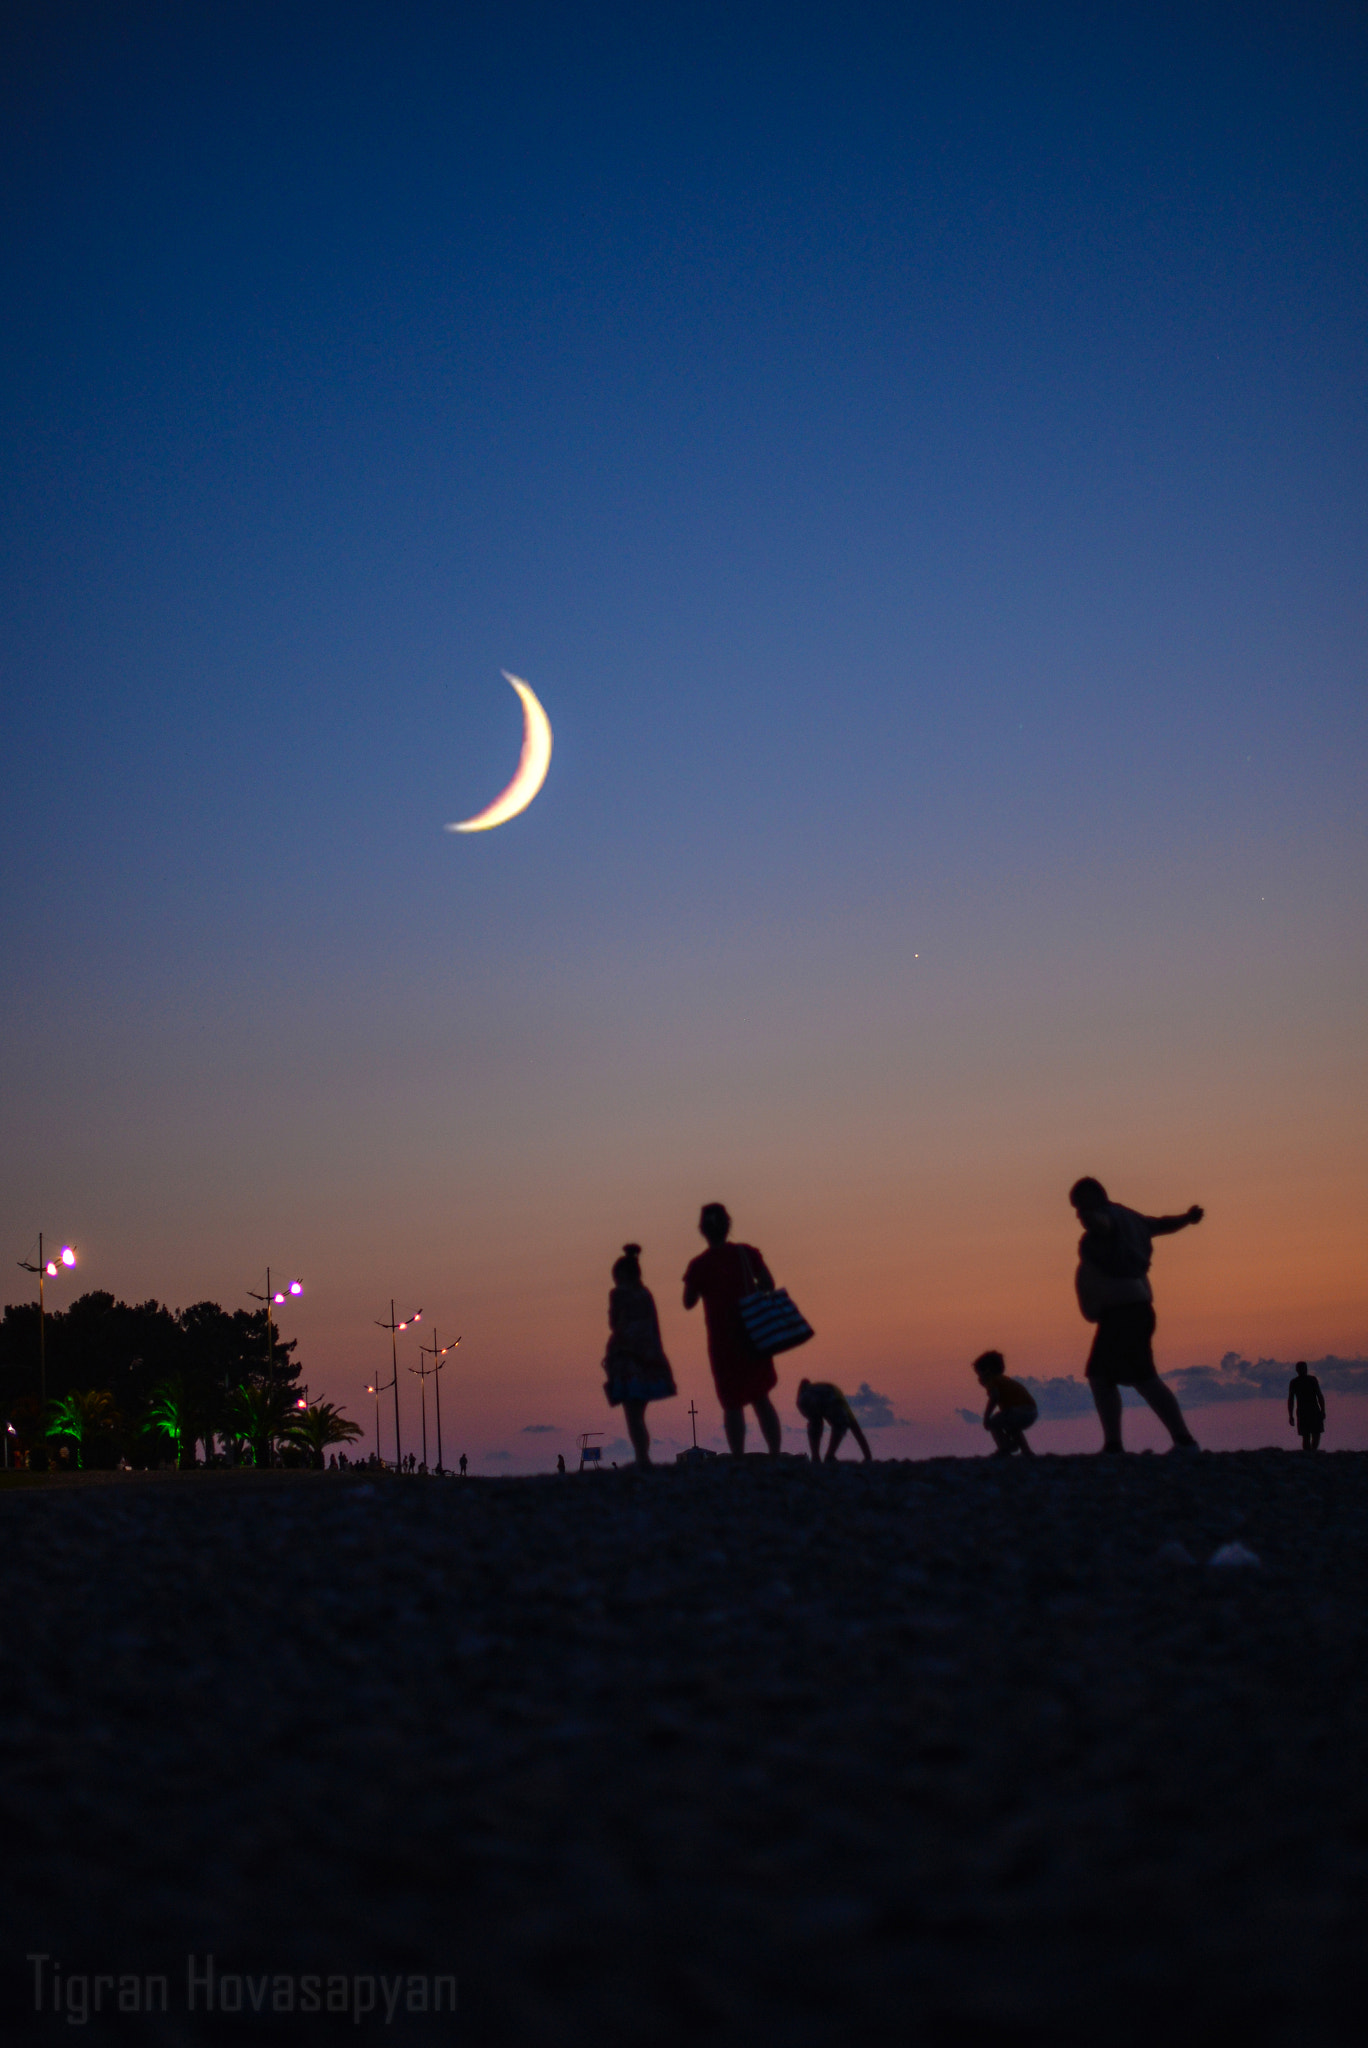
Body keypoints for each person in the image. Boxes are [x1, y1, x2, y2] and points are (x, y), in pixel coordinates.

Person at [1070, 1176, 1201, 1453]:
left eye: (1080, 1208)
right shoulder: (1134, 1219)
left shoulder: (1107, 1219)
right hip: (1128, 1313)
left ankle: (1183, 1441)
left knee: (1139, 1378)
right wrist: (1187, 1218)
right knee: (1104, 1376)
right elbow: (1162, 1224)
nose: (1079, 1216)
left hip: (1125, 1314)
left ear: (1093, 1201)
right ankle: (1116, 1444)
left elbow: (1103, 1224)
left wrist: (1094, 1219)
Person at [683, 1204, 783, 1458]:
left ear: (702, 1230)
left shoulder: (699, 1265)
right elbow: (769, 1283)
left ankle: (738, 1456)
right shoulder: (746, 1254)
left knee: (732, 1403)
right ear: (728, 1226)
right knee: (761, 1398)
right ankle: (774, 1454)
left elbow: (688, 1301)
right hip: (753, 1334)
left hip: (723, 1342)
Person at [603, 1244, 676, 1467]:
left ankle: (642, 1457)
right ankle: (643, 1455)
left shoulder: (619, 1294)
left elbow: (614, 1323)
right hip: (649, 1360)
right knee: (639, 1414)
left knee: (632, 1415)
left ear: (621, 1276)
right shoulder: (646, 1295)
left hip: (627, 1360)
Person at [971, 1351, 1038, 1456]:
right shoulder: (1004, 1380)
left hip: (1019, 1410)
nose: (979, 1378)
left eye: (979, 1374)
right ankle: (1025, 1451)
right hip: (1031, 1411)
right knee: (1012, 1427)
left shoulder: (992, 1380)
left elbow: (994, 1398)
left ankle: (1004, 1449)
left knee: (993, 1423)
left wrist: (986, 1417)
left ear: (987, 1371)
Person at [795, 1379, 872, 1464]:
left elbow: (805, 1383)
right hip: (821, 1396)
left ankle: (816, 1457)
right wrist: (868, 1456)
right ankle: (829, 1456)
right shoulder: (841, 1403)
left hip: (803, 1399)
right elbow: (856, 1430)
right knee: (840, 1424)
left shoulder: (829, 1395)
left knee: (815, 1421)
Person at [1288, 1361, 1325, 1452]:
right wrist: (1290, 1415)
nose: (1304, 1370)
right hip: (1303, 1412)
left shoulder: (1312, 1380)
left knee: (1316, 1434)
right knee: (1306, 1435)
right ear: (1297, 1370)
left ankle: (1312, 1452)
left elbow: (1319, 1395)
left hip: (1314, 1410)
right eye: (1302, 1368)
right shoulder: (1294, 1382)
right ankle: (1308, 1454)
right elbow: (1291, 1400)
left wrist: (1323, 1410)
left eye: (1305, 1368)